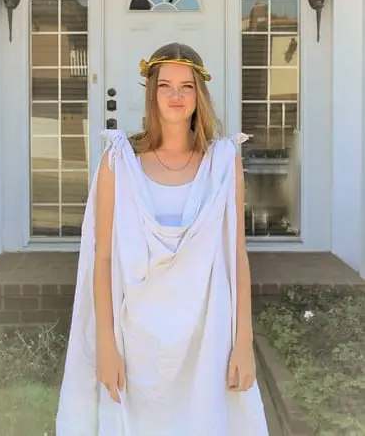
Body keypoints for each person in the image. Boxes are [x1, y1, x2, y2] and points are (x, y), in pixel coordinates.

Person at [56, 42, 269, 435]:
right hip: (136, 334)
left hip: (206, 335)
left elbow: (237, 256)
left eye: (186, 86)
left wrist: (243, 343)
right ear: (151, 92)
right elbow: (102, 258)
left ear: (199, 93)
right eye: (165, 85)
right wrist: (105, 344)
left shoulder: (223, 162)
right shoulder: (119, 163)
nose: (175, 95)